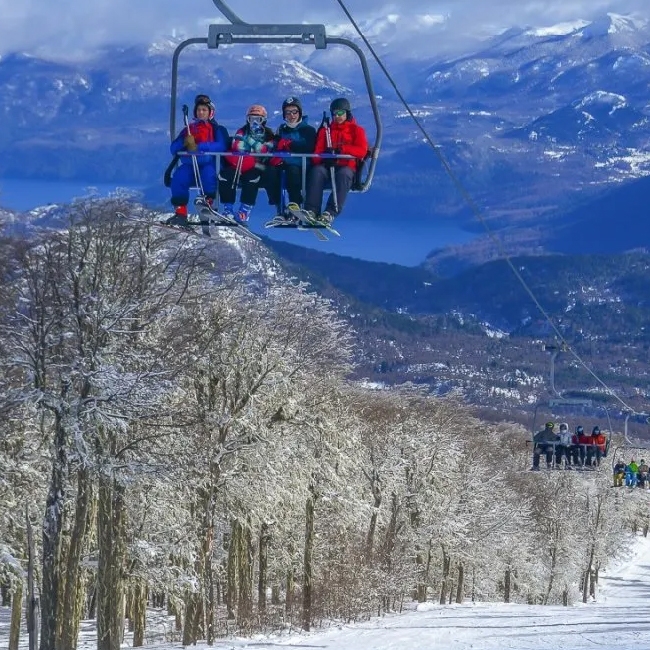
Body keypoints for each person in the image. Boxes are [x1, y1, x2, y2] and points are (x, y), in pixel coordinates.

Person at [297, 97, 369, 225]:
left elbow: (361, 151)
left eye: (340, 113)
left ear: (347, 113)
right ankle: (312, 210)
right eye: (335, 113)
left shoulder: (356, 131)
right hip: (328, 167)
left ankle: (330, 212)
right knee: (317, 171)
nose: (337, 116)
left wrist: (342, 150)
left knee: (344, 175)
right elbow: (317, 153)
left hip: (346, 167)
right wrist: (325, 157)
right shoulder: (326, 131)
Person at [167, 94, 229, 227]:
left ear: (210, 112)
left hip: (209, 162)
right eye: (199, 110)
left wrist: (200, 146)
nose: (201, 112)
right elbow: (173, 148)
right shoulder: (189, 130)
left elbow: (222, 145)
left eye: (204, 110)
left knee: (208, 175)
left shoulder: (217, 129)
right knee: (179, 177)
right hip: (190, 164)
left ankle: (208, 203)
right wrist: (185, 142)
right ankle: (180, 212)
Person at [219, 104, 274, 224]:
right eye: (251, 119)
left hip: (256, 166)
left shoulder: (268, 134)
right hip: (238, 163)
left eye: (258, 119)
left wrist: (249, 141)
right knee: (227, 175)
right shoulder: (242, 130)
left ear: (263, 120)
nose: (254, 122)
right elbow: (237, 146)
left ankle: (244, 210)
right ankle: (228, 208)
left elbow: (264, 150)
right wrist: (254, 146)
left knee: (252, 178)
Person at [265, 97, 316, 222]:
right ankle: (279, 208)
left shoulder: (308, 130)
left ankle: (295, 206)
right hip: (284, 163)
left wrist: (289, 144)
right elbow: (276, 145)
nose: (291, 115)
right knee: (270, 171)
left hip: (301, 165)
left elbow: (307, 147)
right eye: (288, 112)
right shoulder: (282, 129)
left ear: (300, 113)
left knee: (292, 172)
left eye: (294, 112)